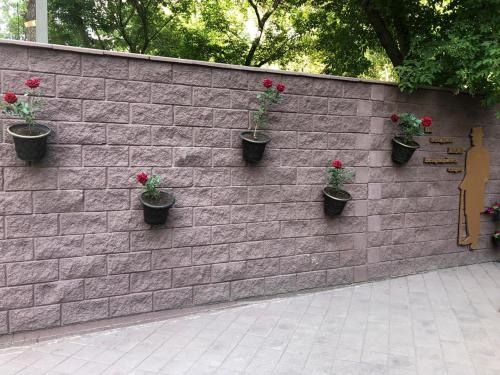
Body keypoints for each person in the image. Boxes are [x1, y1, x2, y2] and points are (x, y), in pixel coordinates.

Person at [458, 127, 490, 249]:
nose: (472, 139)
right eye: (472, 137)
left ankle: (475, 238)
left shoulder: (484, 153)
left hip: (477, 188)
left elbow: (486, 175)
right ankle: (470, 236)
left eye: (474, 137)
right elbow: (468, 171)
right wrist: (465, 183)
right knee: (469, 212)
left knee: (475, 212)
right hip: (469, 187)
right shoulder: (470, 152)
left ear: (480, 137)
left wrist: (476, 182)